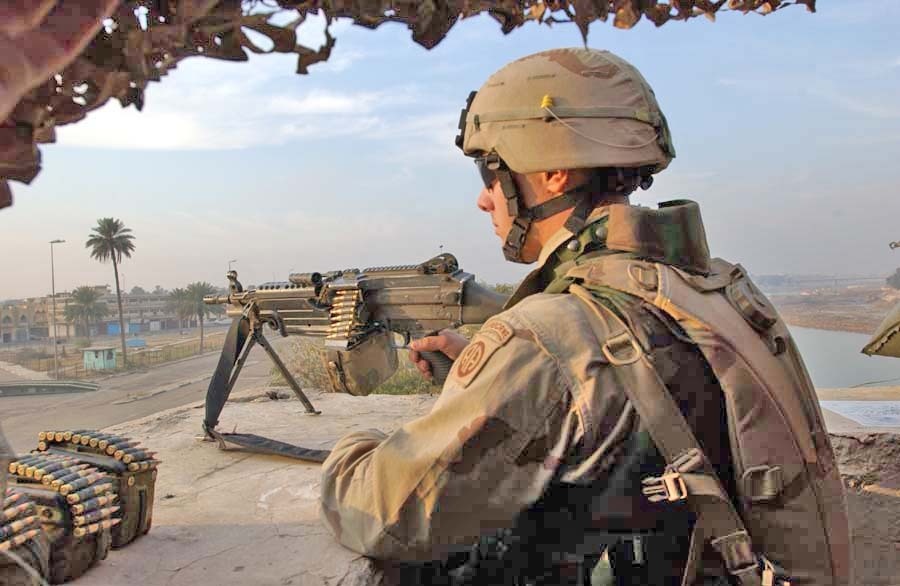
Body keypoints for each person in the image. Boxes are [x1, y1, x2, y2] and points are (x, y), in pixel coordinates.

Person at [319, 48, 851, 586]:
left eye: (491, 171)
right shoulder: (706, 283)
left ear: (552, 173)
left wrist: (354, 445)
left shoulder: (547, 337)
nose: (485, 200)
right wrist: (497, 369)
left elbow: (387, 517)